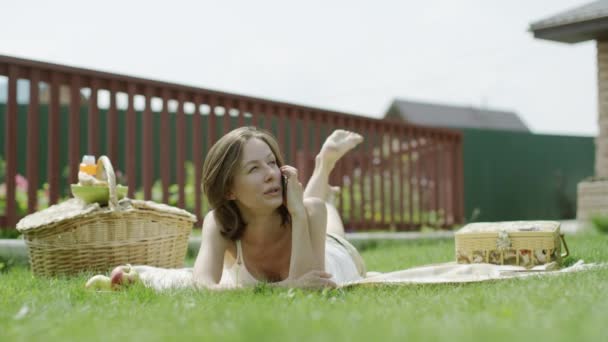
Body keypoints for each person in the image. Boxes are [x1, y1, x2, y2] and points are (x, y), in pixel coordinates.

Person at [192, 126, 367, 290]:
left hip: (336, 253)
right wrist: (288, 286)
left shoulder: (312, 211)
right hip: (308, 220)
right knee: (310, 205)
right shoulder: (219, 222)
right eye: (254, 168)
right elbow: (202, 286)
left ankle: (325, 163)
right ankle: (325, 183)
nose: (271, 174)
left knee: (320, 211)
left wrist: (298, 213)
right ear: (229, 190)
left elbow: (310, 290)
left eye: (272, 162)